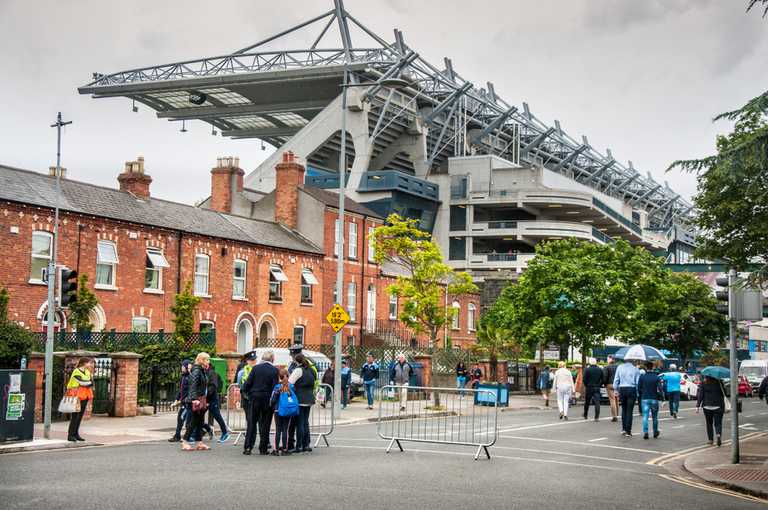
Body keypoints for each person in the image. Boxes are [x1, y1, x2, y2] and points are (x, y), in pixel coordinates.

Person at [242, 350, 279, 455]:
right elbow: (275, 387)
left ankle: (248, 447)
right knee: (265, 424)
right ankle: (263, 448)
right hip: (267, 399)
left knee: (252, 423)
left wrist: (249, 395)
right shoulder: (274, 370)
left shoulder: (255, 368)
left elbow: (247, 384)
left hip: (255, 398)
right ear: (272, 359)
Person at [287, 344, 318, 451]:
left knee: (300, 422)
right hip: (309, 398)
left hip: (300, 398)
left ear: (297, 361)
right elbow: (315, 382)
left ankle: (299, 445)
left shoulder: (298, 370)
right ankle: (306, 444)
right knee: (305, 422)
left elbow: (290, 383)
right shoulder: (311, 369)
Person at [182, 352, 211, 451]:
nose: (209, 361)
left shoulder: (202, 370)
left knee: (200, 422)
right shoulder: (196, 371)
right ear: (201, 360)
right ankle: (185, 442)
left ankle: (199, 442)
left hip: (201, 398)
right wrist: (194, 399)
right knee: (193, 421)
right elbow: (193, 385)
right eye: (207, 359)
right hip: (196, 399)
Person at [270, 368, 299, 456]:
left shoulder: (277, 387)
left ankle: (276, 449)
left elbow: (273, 400)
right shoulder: (291, 387)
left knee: (278, 429)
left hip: (278, 410)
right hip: (288, 410)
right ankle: (285, 449)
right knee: (285, 429)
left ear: (279, 376)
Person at [66, 357, 94, 442]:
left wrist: (87, 382)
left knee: (80, 416)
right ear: (84, 363)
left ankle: (76, 434)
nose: (90, 364)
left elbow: (91, 383)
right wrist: (88, 382)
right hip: (76, 395)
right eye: (89, 363)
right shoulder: (76, 371)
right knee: (75, 416)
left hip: (85, 395)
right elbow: (83, 382)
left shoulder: (87, 372)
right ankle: (70, 435)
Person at [697, 375, 726, 447]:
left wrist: (697, 406)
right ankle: (718, 435)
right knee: (718, 423)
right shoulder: (720, 383)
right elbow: (724, 393)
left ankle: (710, 440)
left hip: (707, 406)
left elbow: (701, 395)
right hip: (718, 406)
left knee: (709, 423)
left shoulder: (703, 383)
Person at [613, 359, 640, 437]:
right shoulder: (635, 369)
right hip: (632, 389)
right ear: (632, 360)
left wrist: (615, 390)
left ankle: (623, 429)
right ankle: (628, 431)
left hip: (622, 389)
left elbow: (616, 380)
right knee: (629, 411)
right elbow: (637, 383)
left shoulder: (620, 367)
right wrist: (637, 393)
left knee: (624, 409)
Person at [638, 361, 664, 440]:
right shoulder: (656, 377)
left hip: (645, 398)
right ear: (653, 367)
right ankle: (655, 432)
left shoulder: (642, 377)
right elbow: (660, 389)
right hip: (654, 399)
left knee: (645, 416)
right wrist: (663, 399)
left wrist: (643, 393)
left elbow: (639, 388)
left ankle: (646, 432)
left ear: (646, 368)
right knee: (655, 417)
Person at [205, 365, 230, 443]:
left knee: (217, 416)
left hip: (212, 400)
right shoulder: (205, 372)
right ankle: (208, 429)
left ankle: (225, 433)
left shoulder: (212, 373)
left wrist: (207, 395)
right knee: (198, 416)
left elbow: (213, 386)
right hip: (206, 399)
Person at [169, 359, 191, 442]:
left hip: (187, 403)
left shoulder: (190, 377)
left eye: (183, 366)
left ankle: (183, 437)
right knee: (181, 419)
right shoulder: (183, 376)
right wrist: (176, 400)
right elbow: (181, 390)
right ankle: (177, 436)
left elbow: (190, 391)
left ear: (186, 367)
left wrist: (186, 399)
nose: (182, 368)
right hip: (183, 403)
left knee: (185, 420)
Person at [603, 356, 619, 422]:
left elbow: (605, 377)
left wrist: (604, 383)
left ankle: (614, 416)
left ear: (610, 360)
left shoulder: (607, 367)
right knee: (616, 400)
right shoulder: (618, 367)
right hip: (617, 384)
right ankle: (617, 414)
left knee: (612, 400)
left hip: (609, 384)